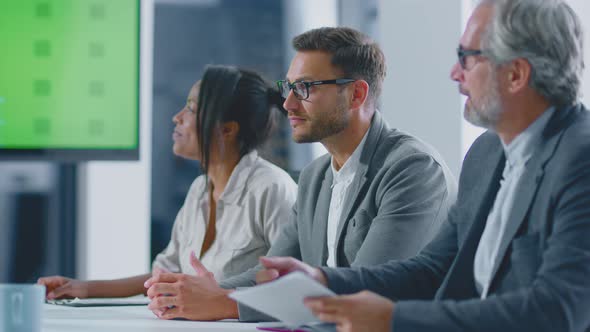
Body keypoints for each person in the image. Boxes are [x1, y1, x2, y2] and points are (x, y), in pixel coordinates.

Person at [257, 0, 590, 331]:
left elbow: (557, 310)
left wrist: (394, 320)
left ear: (516, 74)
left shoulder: (581, 158)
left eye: (467, 58)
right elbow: (432, 269)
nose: (454, 73)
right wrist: (321, 279)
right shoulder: (486, 153)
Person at [144, 27, 457, 321]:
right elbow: (272, 273)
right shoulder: (314, 177)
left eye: (304, 88)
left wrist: (225, 302)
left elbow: (369, 289)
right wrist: (206, 290)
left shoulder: (413, 169)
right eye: (288, 87)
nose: (288, 103)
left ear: (356, 95)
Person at [37, 65, 298, 300]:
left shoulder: (272, 188)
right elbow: (164, 273)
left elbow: (289, 284)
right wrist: (81, 288)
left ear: (227, 130)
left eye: (192, 109)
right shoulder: (199, 190)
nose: (177, 117)